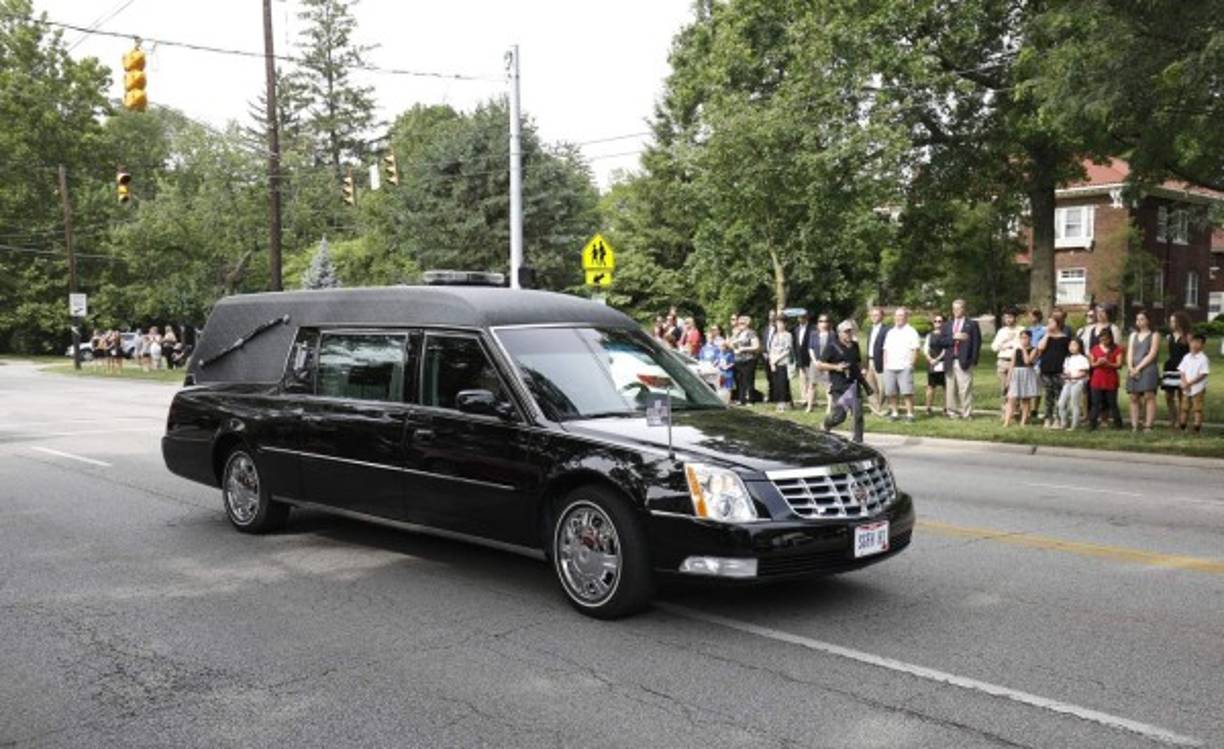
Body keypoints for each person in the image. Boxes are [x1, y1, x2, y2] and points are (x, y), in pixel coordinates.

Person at [819, 320, 868, 441]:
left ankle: (858, 442)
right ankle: (826, 424)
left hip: (853, 385)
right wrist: (836, 367)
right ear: (840, 333)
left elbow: (857, 362)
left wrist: (862, 370)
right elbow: (820, 365)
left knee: (858, 414)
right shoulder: (832, 347)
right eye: (846, 332)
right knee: (839, 416)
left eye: (851, 331)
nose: (849, 334)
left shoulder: (855, 345)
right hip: (839, 386)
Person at [935, 299, 981, 419]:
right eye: (954, 308)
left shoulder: (972, 324)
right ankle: (952, 412)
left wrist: (973, 360)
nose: (955, 311)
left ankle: (967, 413)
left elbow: (976, 343)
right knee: (950, 389)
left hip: (965, 361)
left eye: (958, 308)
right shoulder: (947, 325)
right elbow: (941, 342)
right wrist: (954, 338)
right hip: (950, 360)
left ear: (964, 309)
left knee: (965, 389)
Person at [881, 307, 921, 421]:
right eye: (897, 315)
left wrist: (911, 364)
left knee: (907, 392)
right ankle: (894, 413)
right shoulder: (890, 332)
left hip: (904, 367)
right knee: (891, 392)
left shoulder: (911, 331)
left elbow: (916, 349)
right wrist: (885, 365)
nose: (898, 318)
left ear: (906, 317)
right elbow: (886, 349)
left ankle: (910, 414)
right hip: (890, 367)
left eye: (901, 315)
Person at [1125, 311, 1160, 432]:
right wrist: (1130, 367)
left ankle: (1148, 425)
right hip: (1133, 368)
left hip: (1148, 368)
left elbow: (1152, 353)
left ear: (1148, 320)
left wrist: (1139, 368)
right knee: (1133, 397)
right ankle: (1134, 425)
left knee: (1149, 396)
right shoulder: (1133, 335)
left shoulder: (1154, 335)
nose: (1139, 322)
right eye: (1137, 319)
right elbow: (1130, 352)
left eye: (1142, 319)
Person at [1036, 317, 1070, 428]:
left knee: (1059, 395)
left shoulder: (1065, 339)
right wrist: (1047, 334)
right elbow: (1040, 348)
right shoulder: (1045, 337)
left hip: (1059, 370)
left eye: (1051, 322)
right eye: (1048, 322)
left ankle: (1058, 418)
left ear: (1058, 324)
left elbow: (1068, 355)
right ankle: (1048, 418)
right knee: (1048, 395)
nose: (1049, 324)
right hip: (1046, 369)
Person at [1088, 329, 1125, 431]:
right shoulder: (1095, 349)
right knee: (1095, 403)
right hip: (1097, 379)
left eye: (1106, 339)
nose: (1104, 341)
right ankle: (1092, 424)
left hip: (1110, 379)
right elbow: (1091, 364)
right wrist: (1098, 363)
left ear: (1110, 338)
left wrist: (1109, 364)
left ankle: (1118, 424)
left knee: (1112, 403)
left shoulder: (1116, 349)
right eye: (1102, 339)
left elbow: (1119, 364)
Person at [1161, 311, 1192, 429]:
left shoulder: (1188, 337)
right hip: (1170, 367)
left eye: (1174, 321)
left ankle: (1181, 421)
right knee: (1168, 396)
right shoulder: (1169, 337)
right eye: (1171, 321)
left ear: (1180, 322)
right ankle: (1172, 419)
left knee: (1181, 396)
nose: (1171, 323)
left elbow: (1192, 355)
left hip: (1183, 369)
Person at [1003, 330, 1040, 427]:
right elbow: (1012, 365)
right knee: (1011, 398)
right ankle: (1007, 421)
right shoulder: (1016, 350)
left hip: (1027, 373)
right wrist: (1008, 379)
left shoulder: (1034, 349)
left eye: (1025, 338)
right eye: (1021, 338)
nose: (1023, 340)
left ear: (1030, 338)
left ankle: (1023, 421)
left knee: (1025, 399)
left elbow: (1027, 361)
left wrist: (1024, 349)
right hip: (1016, 374)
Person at [1177, 334, 1210, 434]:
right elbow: (1182, 371)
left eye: (1198, 342)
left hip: (1198, 388)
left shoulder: (1203, 359)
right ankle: (1182, 426)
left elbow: (1203, 374)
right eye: (1193, 342)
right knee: (1184, 407)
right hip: (1186, 387)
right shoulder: (1186, 357)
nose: (1195, 344)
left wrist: (1190, 383)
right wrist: (1184, 382)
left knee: (1197, 408)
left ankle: (1196, 428)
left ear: (1203, 345)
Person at [1057, 338, 1090, 430]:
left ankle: (1074, 425)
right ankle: (1064, 423)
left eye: (1074, 345)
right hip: (1068, 383)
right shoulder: (1068, 359)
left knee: (1074, 404)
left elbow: (1084, 373)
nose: (1071, 347)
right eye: (1070, 345)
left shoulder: (1083, 359)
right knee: (1061, 403)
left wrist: (1072, 377)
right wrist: (1065, 375)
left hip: (1077, 383)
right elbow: (1066, 371)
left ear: (1080, 347)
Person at [990, 307, 1023, 397]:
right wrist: (1003, 344)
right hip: (1002, 361)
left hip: (1016, 362)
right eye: (1006, 317)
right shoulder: (1002, 331)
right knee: (1004, 388)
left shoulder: (1021, 330)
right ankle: (1005, 404)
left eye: (1010, 317)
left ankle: (1015, 404)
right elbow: (994, 347)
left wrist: (1010, 345)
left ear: (1016, 318)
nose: (1008, 320)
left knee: (1015, 388)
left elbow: (1021, 346)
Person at [805, 314, 834, 413]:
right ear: (818, 323)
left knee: (828, 386)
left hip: (827, 363)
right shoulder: (813, 334)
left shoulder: (832, 335)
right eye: (821, 321)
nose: (823, 323)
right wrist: (815, 361)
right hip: (815, 362)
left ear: (828, 323)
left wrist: (825, 361)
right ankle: (809, 406)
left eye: (825, 321)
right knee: (812, 385)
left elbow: (833, 349)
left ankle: (829, 407)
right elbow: (810, 348)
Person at [864, 307, 889, 416]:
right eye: (872, 315)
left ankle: (883, 409)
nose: (873, 317)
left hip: (881, 361)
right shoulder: (870, 329)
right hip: (870, 361)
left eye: (876, 315)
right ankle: (875, 409)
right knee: (870, 386)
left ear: (882, 316)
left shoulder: (886, 330)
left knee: (883, 387)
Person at [731, 315, 761, 406]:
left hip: (748, 359)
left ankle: (750, 399)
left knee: (748, 380)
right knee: (740, 381)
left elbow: (756, 346)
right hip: (738, 360)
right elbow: (731, 343)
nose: (740, 325)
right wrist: (734, 345)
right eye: (739, 323)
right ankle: (741, 399)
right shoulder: (738, 333)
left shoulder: (751, 333)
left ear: (747, 324)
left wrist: (744, 348)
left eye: (742, 323)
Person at [767, 317, 794, 412]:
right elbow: (771, 349)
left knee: (783, 383)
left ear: (785, 324)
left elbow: (787, 350)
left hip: (783, 362)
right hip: (774, 362)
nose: (779, 325)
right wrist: (772, 362)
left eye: (781, 323)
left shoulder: (788, 335)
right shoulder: (774, 336)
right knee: (776, 383)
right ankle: (780, 401)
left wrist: (777, 359)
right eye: (778, 323)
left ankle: (783, 402)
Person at [923, 313, 947, 416]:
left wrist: (937, 359)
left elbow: (945, 349)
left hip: (943, 363)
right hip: (932, 364)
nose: (937, 323)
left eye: (939, 321)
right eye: (935, 321)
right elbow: (925, 348)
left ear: (943, 323)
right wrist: (930, 359)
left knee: (945, 387)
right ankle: (928, 408)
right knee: (930, 387)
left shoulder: (946, 335)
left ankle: (946, 408)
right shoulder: (929, 335)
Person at [761, 309, 780, 403]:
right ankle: (771, 396)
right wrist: (764, 352)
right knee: (769, 377)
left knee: (776, 377)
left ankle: (777, 396)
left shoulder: (778, 329)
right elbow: (764, 342)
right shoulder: (765, 329)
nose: (772, 317)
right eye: (770, 315)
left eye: (773, 315)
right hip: (766, 356)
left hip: (775, 356)